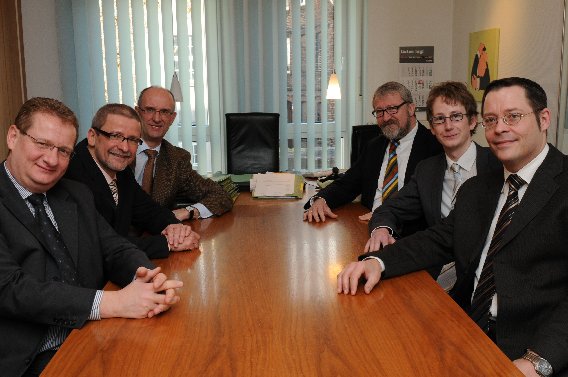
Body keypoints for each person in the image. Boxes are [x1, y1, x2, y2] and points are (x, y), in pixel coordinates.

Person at [337, 77, 568, 377]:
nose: (500, 128)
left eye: (513, 117)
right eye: (491, 119)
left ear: (544, 118)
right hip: (466, 328)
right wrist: (378, 261)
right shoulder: (478, 189)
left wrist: (537, 362)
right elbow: (435, 240)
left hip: (530, 349)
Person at [0, 97, 183, 377]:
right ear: (13, 137)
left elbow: (114, 247)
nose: (52, 159)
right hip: (28, 357)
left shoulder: (75, 194)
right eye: (42, 143)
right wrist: (112, 303)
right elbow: (11, 289)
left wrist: (144, 278)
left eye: (63, 150)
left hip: (91, 333)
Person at [365, 81, 501, 290]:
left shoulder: (498, 165)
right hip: (436, 275)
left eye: (456, 116)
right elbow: (390, 208)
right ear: (432, 128)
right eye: (439, 119)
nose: (448, 126)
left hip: (487, 279)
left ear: (472, 121)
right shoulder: (427, 170)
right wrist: (382, 228)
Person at [65, 103, 199, 259]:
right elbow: (99, 244)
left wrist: (175, 228)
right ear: (93, 137)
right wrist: (167, 244)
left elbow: (147, 209)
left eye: (133, 140)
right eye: (115, 136)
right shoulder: (72, 175)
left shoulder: (119, 169)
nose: (125, 148)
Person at [303, 81, 443, 224]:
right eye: (379, 112)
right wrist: (321, 199)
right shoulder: (373, 146)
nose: (386, 118)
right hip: (365, 224)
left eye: (392, 109)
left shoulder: (435, 147)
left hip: (408, 231)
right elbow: (347, 184)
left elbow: (429, 203)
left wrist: (386, 216)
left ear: (411, 108)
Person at [134, 86, 233, 221]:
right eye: (150, 110)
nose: (157, 118)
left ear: (172, 118)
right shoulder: (119, 149)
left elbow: (220, 196)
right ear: (137, 112)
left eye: (164, 112)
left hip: (157, 236)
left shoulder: (177, 159)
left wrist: (189, 212)